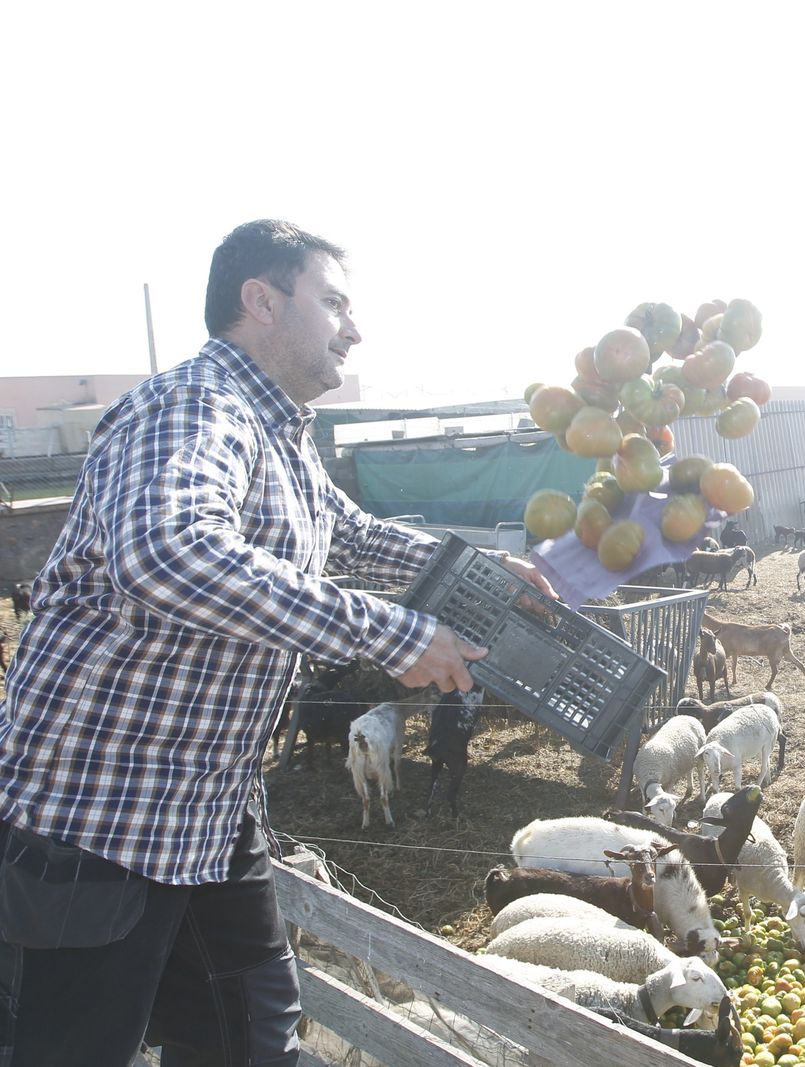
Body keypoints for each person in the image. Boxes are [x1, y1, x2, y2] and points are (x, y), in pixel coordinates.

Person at [0, 219, 553, 1065]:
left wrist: (481, 570)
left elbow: (351, 534)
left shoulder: (279, 433)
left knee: (254, 1039)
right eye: (333, 302)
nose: (354, 328)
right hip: (96, 820)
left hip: (208, 816)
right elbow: (169, 550)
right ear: (261, 301)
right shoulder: (192, 406)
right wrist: (391, 634)